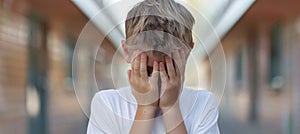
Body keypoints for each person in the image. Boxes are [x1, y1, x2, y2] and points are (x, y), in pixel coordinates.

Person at [87, 0, 220, 133]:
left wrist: (171, 107)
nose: (157, 79)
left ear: (187, 52)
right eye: (147, 70)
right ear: (127, 51)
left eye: (167, 69)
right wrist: (145, 106)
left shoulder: (203, 104)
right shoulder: (106, 104)